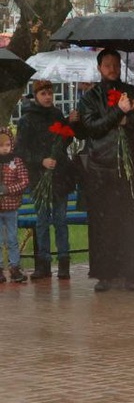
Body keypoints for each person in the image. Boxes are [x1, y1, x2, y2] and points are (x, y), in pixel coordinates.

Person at [76, 48, 134, 292]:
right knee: (103, 224)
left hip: (129, 167)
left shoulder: (132, 93)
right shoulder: (90, 97)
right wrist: (117, 112)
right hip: (101, 168)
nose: (112, 69)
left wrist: (128, 119)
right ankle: (104, 273)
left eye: (116, 64)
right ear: (99, 68)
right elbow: (91, 127)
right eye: (107, 65)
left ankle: (130, 272)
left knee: (130, 222)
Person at [16, 80, 74, 280]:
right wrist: (41, 160)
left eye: (50, 93)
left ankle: (64, 262)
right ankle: (44, 263)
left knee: (60, 220)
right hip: (39, 178)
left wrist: (69, 125)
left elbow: (65, 140)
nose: (48, 97)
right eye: (43, 94)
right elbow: (21, 150)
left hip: (59, 176)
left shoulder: (57, 115)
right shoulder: (27, 120)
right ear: (36, 96)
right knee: (42, 221)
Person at [0, 130, 30, 283]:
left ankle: (14, 267)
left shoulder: (16, 161)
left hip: (11, 207)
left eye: (7, 145)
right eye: (1, 145)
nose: (4, 148)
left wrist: (8, 189)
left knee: (12, 238)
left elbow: (24, 181)